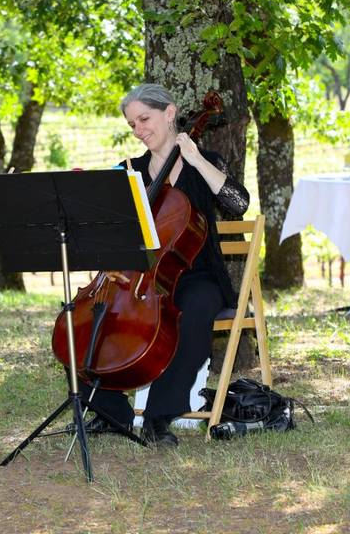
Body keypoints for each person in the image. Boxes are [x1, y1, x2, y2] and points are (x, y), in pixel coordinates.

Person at [80, 83, 250, 446]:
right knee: (86, 320)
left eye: (145, 118)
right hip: (140, 277)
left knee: (194, 316)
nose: (139, 129)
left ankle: (158, 418)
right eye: (132, 124)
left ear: (170, 113)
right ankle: (113, 412)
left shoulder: (206, 162)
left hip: (197, 276)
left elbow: (239, 203)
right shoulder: (130, 170)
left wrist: (197, 159)